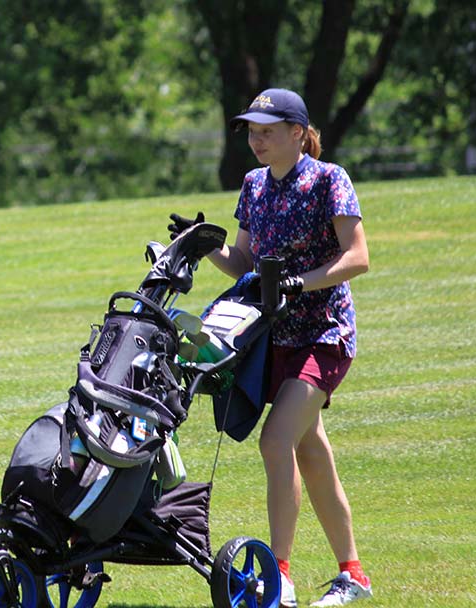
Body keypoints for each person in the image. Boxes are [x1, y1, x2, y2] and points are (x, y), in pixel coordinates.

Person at [170, 88, 371, 607]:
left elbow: (358, 257)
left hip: (325, 335)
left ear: (299, 133)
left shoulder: (330, 180)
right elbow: (244, 263)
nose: (256, 140)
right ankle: (353, 574)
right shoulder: (254, 185)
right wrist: (204, 241)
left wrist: (298, 283)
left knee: (275, 441)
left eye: (267, 131)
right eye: (251, 132)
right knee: (311, 451)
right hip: (274, 338)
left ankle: (278, 575)